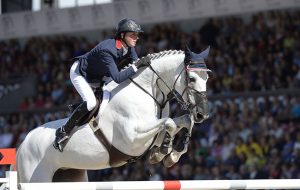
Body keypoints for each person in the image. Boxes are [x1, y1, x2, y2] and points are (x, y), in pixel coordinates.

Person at [53, 18, 149, 152]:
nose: (136, 37)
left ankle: (78, 109)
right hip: (81, 73)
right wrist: (137, 66)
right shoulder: (107, 49)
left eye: (137, 35)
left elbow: (136, 64)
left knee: (110, 96)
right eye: (133, 34)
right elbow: (118, 77)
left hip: (99, 76)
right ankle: (63, 131)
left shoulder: (129, 47)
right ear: (122, 35)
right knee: (92, 102)